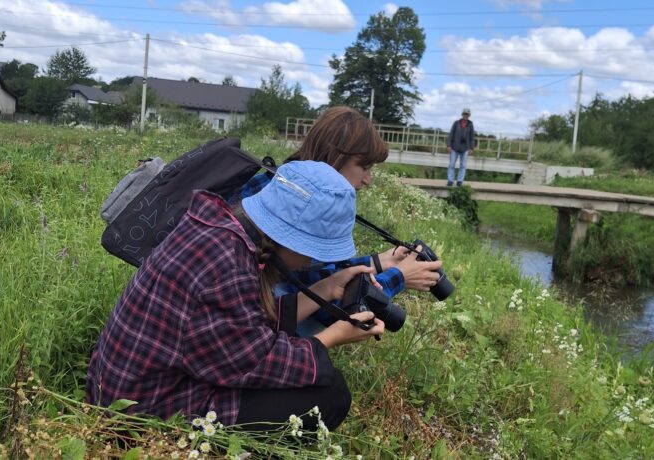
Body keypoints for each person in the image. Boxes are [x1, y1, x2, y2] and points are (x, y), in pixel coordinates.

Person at [86, 161, 385, 432]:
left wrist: (325, 289)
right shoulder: (226, 265)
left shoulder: (219, 229)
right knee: (330, 395)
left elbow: (234, 326)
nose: (311, 262)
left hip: (125, 388)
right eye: (313, 251)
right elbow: (256, 362)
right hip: (140, 417)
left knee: (322, 382)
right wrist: (333, 336)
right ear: (288, 237)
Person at [232, 106, 443, 303]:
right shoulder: (295, 206)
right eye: (364, 167)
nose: (368, 180)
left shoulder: (280, 182)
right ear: (335, 157)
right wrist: (399, 278)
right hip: (255, 312)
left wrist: (377, 263)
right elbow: (326, 302)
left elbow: (318, 272)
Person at [446, 108, 475, 187]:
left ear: (469, 115)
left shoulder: (470, 124)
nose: (466, 115)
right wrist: (448, 145)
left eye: (467, 114)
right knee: (451, 164)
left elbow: (472, 137)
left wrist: (471, 148)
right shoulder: (456, 123)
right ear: (462, 114)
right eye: (465, 114)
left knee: (463, 166)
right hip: (455, 147)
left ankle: (459, 181)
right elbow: (451, 134)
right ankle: (450, 181)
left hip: (465, 148)